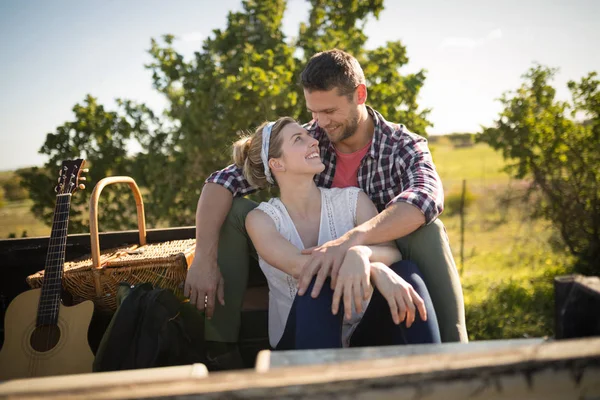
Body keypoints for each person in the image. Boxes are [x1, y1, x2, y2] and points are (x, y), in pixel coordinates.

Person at [184, 49, 467, 367]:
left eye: (330, 110)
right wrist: (203, 259)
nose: (320, 124)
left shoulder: (401, 145)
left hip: (379, 252)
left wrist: (355, 247)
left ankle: (452, 362)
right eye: (314, 112)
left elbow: (426, 197)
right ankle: (221, 349)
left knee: (425, 236)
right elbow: (221, 181)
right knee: (238, 212)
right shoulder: (309, 138)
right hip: (323, 277)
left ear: (360, 95)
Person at [235, 117, 441, 349]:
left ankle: (437, 374)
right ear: (277, 164)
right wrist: (374, 268)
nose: (314, 141)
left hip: (360, 330)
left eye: (308, 135)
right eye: (298, 139)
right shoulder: (262, 220)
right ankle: (322, 383)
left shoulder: (353, 199)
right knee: (317, 285)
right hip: (300, 339)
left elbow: (392, 254)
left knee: (406, 272)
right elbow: (303, 268)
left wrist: (362, 254)